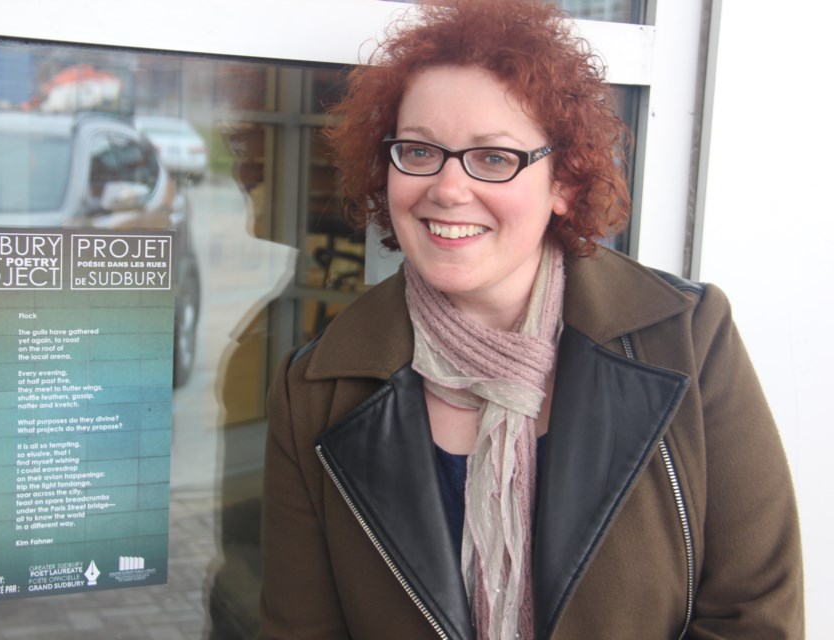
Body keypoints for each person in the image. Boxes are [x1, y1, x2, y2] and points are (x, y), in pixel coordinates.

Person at [259, 0, 804, 637]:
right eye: (419, 151)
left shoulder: (687, 337)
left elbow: (755, 614)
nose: (448, 188)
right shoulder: (316, 390)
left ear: (565, 182)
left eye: (494, 158)